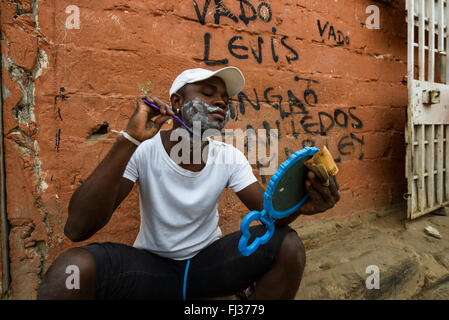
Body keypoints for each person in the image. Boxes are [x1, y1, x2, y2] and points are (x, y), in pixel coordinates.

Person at [37, 66, 340, 300]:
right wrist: (128, 140)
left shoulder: (228, 156)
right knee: (70, 271)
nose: (221, 100)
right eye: (208, 93)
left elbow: (272, 217)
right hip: (151, 268)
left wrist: (304, 203)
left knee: (288, 245)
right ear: (177, 102)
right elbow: (77, 228)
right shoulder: (144, 150)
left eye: (225, 98)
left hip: (209, 266)